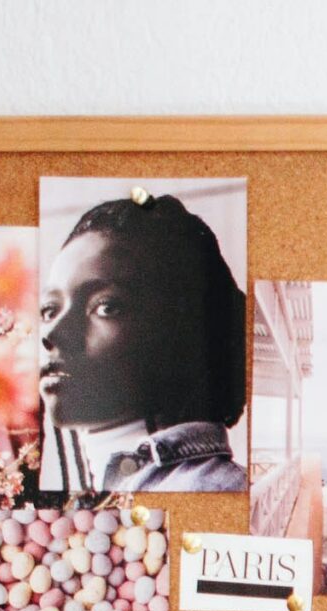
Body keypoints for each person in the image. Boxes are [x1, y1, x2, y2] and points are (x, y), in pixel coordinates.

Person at [38, 193, 247, 492]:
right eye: (49, 310)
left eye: (105, 307)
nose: (51, 333)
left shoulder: (213, 489)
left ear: (182, 330)